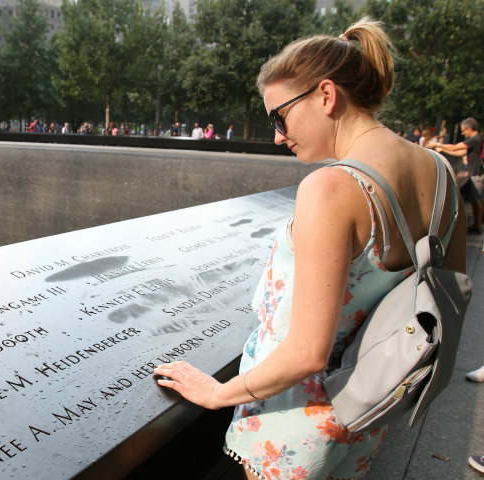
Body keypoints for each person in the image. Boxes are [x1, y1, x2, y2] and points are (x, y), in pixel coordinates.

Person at [154, 17, 466, 480]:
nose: (278, 135)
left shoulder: (332, 188)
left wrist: (218, 393)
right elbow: (453, 289)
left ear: (325, 95)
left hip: (291, 426)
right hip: (365, 408)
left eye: (279, 116)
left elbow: (306, 353)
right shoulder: (440, 173)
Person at [428, 118, 483, 233]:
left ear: (470, 128)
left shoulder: (475, 139)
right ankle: (476, 225)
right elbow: (460, 152)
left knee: (476, 200)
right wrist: (442, 149)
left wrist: (437, 143)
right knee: (475, 200)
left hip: (476, 174)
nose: (463, 133)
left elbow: (457, 147)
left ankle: (478, 226)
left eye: (464, 131)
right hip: (474, 173)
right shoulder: (476, 140)